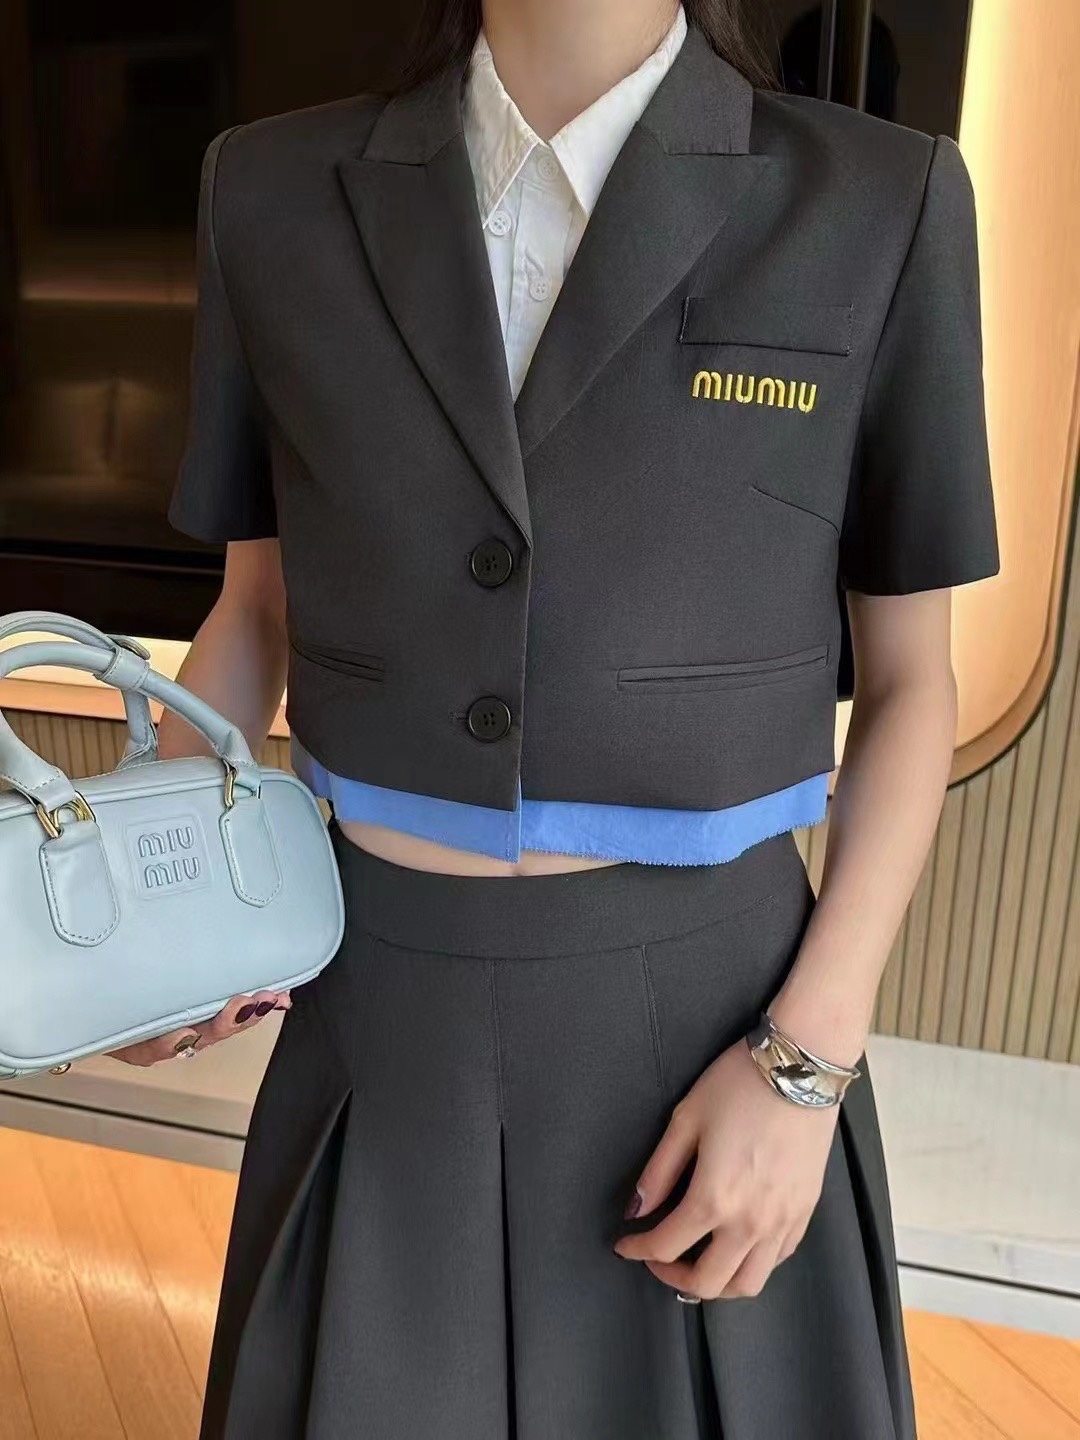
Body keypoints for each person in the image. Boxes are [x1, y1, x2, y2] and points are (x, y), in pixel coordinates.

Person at [109, 2, 1001, 1436]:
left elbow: (910, 686)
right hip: (377, 1016)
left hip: (717, 1033)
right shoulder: (268, 192)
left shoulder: (879, 201)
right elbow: (255, 612)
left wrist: (805, 1068)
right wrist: (165, 919)